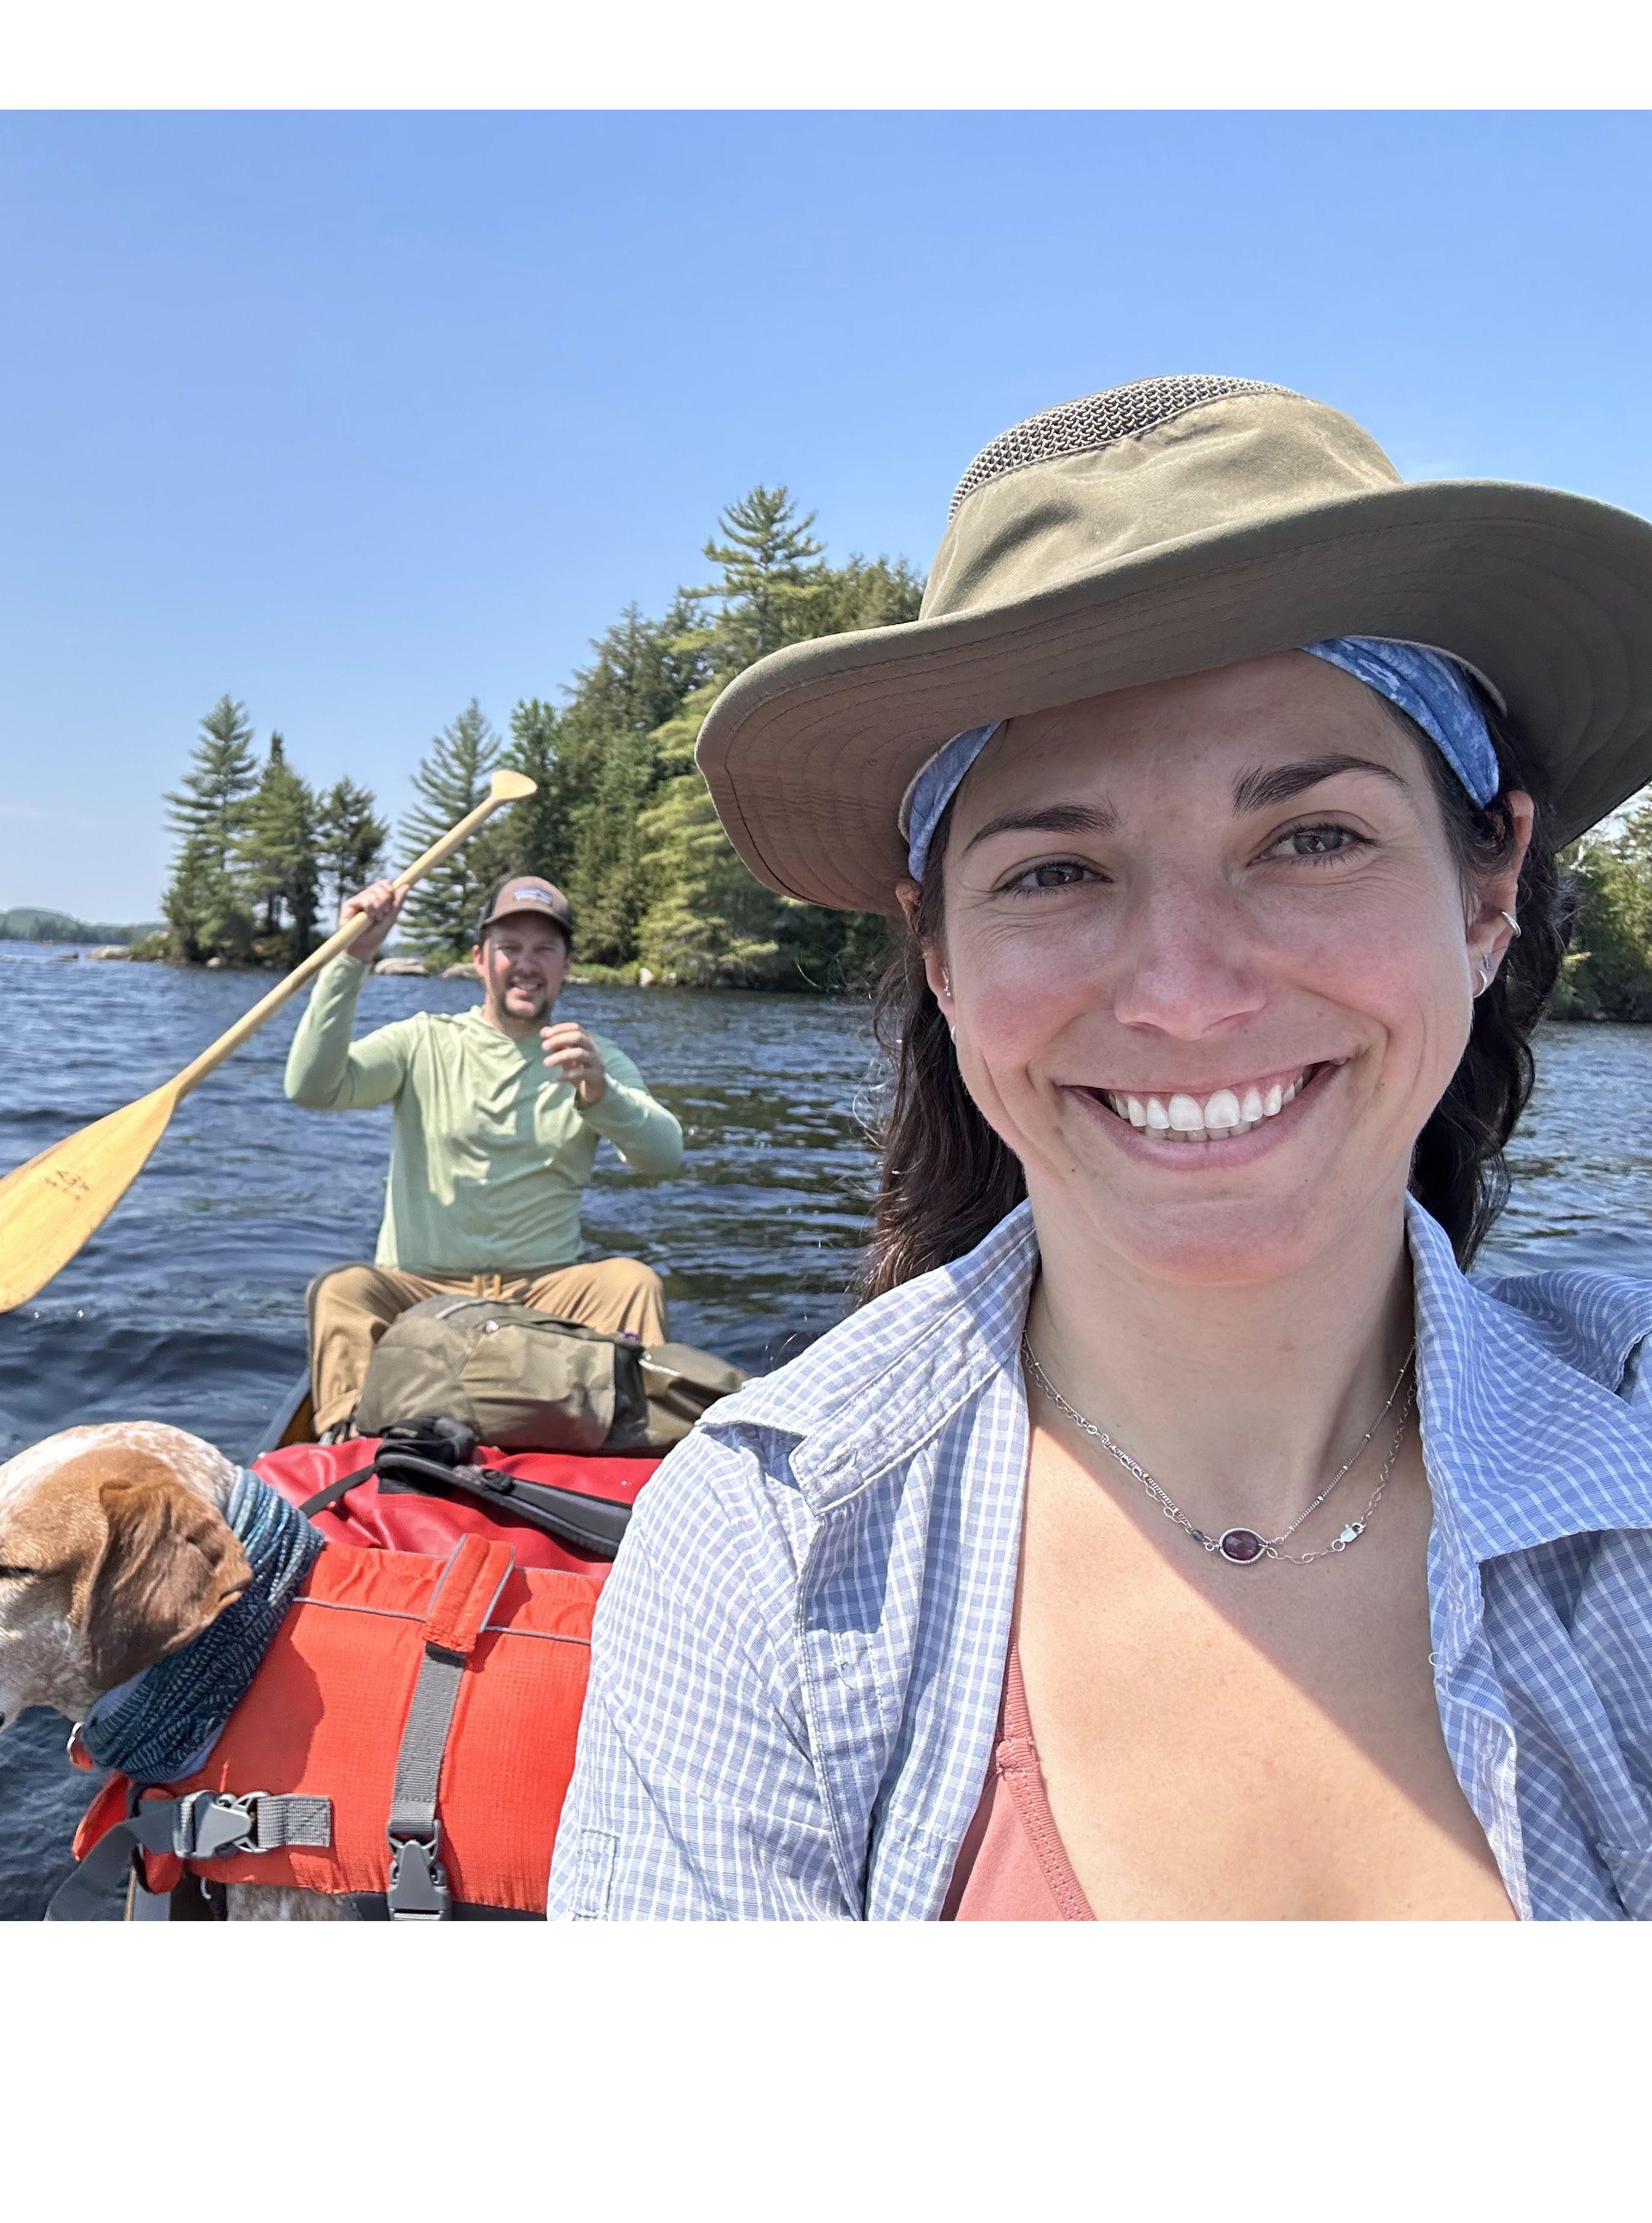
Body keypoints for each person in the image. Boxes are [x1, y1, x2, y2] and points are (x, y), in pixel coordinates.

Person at [552, 373, 1652, 1921]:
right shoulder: (764, 1573)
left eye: (1313, 838)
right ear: (942, 960)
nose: (1189, 996)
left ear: (1486, 894)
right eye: (1058, 871)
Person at [284, 872, 685, 1431]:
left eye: (545, 949)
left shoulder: (592, 1058)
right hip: (420, 1287)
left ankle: (632, 1451)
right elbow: (311, 1086)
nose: (527, 963)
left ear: (566, 964)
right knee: (342, 1290)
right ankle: (350, 1441)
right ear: (479, 959)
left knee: (631, 1282)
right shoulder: (421, 1040)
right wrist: (350, 960)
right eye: (510, 948)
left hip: (547, 1290)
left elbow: (664, 1157)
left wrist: (603, 1093)